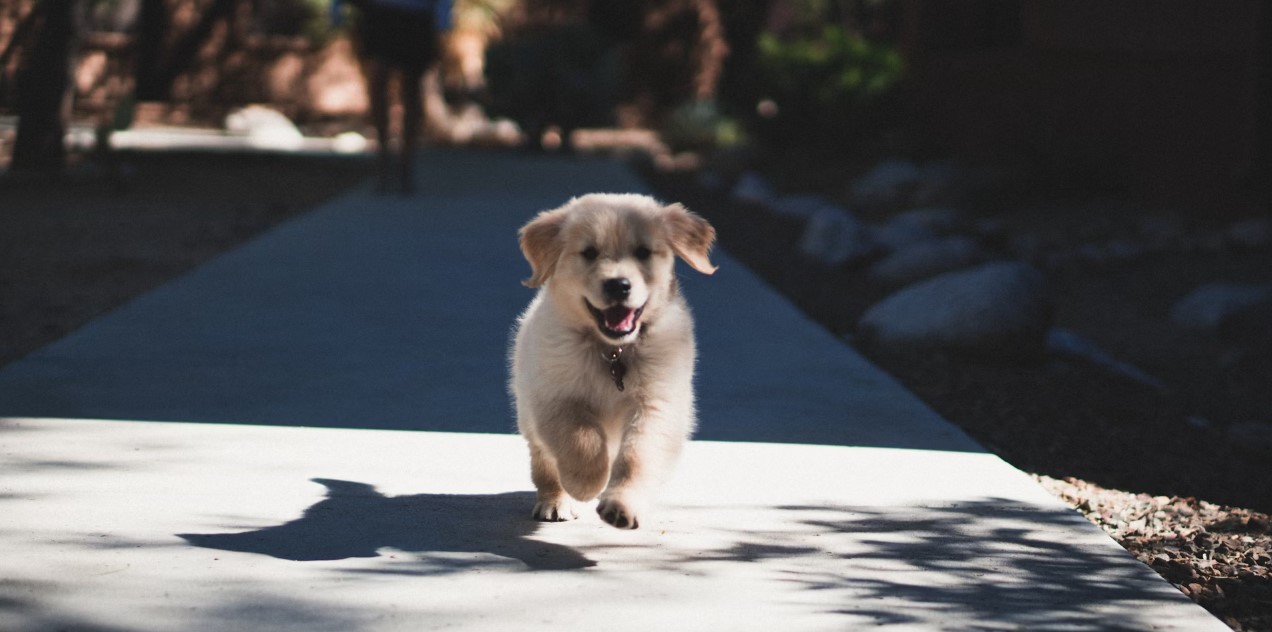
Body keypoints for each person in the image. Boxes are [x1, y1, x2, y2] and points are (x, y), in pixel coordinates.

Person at [335, 0, 452, 193]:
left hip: (416, 16)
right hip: (378, 13)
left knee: (412, 88)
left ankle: (407, 163)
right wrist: (337, 7)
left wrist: (443, 19)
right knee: (378, 81)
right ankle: (382, 157)